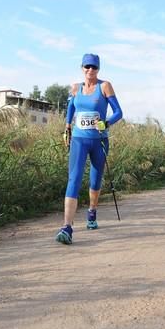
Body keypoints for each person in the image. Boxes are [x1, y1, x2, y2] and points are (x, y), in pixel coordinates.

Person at [56, 53, 123, 245]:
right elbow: (71, 108)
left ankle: (92, 211)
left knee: (95, 180)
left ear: (98, 69)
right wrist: (67, 126)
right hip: (79, 139)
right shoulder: (76, 87)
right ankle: (67, 227)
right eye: (87, 67)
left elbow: (119, 112)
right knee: (74, 178)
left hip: (99, 141)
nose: (90, 70)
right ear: (82, 67)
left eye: (94, 67)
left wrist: (106, 123)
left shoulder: (105, 86)